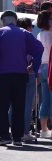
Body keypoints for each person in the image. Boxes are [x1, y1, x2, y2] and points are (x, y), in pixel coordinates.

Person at [0, 11, 43, 146]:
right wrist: (33, 66)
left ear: (3, 21)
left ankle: (5, 136)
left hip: (4, 75)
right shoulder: (24, 33)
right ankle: (17, 137)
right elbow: (39, 48)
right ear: (15, 20)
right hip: (20, 74)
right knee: (19, 106)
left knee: (2, 107)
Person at [13, 18, 38, 141]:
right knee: (27, 104)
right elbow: (37, 53)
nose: (32, 29)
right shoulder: (30, 38)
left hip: (15, 73)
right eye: (31, 26)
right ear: (28, 27)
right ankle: (24, 132)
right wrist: (32, 66)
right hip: (29, 72)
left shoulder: (13, 39)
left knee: (13, 103)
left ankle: (13, 130)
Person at [36, 10, 52, 138]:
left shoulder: (40, 34)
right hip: (49, 66)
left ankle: (44, 129)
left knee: (45, 99)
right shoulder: (50, 35)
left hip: (42, 67)